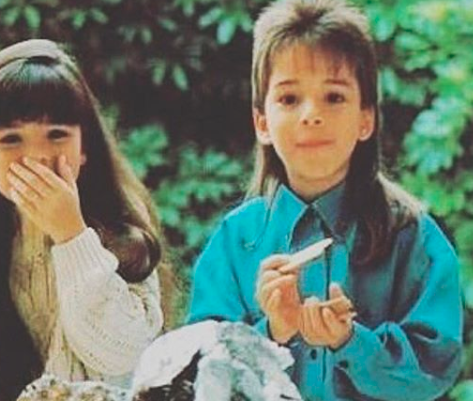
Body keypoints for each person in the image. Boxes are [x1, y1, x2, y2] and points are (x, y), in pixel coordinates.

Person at [187, 0, 463, 400]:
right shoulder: (234, 242)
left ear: (366, 118)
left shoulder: (413, 238)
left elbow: (436, 369)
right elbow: (200, 376)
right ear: (262, 123)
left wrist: (351, 342)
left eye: (333, 97)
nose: (311, 115)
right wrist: (272, 332)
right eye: (289, 99)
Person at [0, 39, 169, 401]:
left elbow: (123, 354)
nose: (37, 155)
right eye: (11, 139)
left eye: (56, 134)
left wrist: (72, 236)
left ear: (84, 145)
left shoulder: (124, 231)